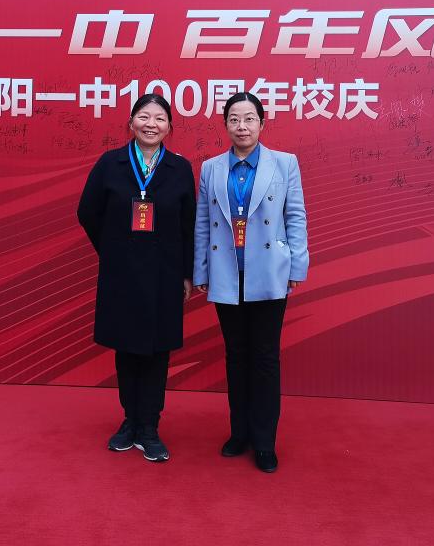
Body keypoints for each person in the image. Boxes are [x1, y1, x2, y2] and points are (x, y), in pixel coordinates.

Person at [192, 92, 309, 473]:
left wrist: (296, 267)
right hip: (227, 272)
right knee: (236, 356)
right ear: (225, 124)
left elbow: (295, 216)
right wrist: (201, 271)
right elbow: (202, 222)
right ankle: (239, 432)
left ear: (262, 123)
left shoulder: (284, 163)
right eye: (234, 119)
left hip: (269, 272)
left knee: (265, 358)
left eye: (249, 119)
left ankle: (264, 441)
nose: (241, 127)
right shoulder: (211, 168)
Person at [77, 94, 196, 462]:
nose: (151, 124)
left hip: (164, 274)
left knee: (157, 352)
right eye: (144, 117)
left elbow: (189, 225)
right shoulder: (110, 163)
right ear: (131, 123)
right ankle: (130, 421)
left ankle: (150, 427)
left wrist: (187, 273)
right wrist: (111, 249)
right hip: (122, 274)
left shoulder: (179, 168)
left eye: (159, 118)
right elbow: (87, 211)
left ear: (169, 127)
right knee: (126, 348)